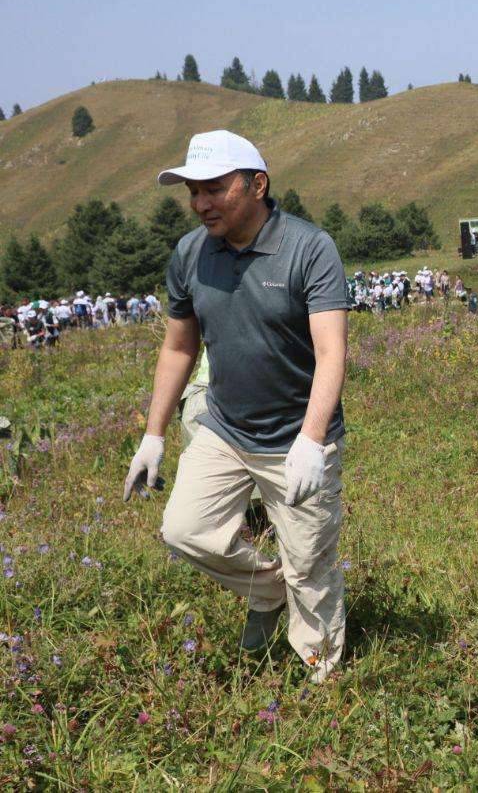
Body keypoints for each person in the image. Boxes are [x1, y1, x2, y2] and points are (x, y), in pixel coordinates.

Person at [122, 130, 350, 684]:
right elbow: (179, 346)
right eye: (193, 192)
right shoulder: (190, 254)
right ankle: (269, 589)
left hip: (297, 437)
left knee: (312, 567)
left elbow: (331, 351)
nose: (201, 204)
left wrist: (312, 441)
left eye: (214, 189)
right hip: (225, 429)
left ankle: (323, 687)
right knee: (183, 530)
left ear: (257, 184)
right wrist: (153, 435)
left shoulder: (308, 248)